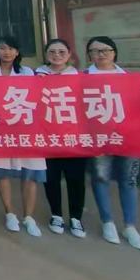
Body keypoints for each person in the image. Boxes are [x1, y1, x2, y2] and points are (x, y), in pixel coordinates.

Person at [86, 36, 140, 251]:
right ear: (89, 55)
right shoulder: (82, 77)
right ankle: (108, 222)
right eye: (95, 51)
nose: (101, 54)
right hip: (98, 138)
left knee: (129, 180)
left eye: (105, 50)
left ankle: (130, 226)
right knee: (100, 178)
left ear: (114, 53)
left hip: (128, 138)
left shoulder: (131, 78)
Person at [0, 36, 44, 237]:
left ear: (17, 52)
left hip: (26, 130)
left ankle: (29, 217)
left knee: (30, 173)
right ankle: (10, 213)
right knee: (3, 172)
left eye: (11, 48)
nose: (7, 52)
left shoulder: (28, 73)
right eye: (2, 48)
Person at [35, 39, 86, 238]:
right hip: (47, 138)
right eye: (52, 51)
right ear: (46, 54)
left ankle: (76, 218)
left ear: (69, 54)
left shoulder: (80, 77)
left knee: (76, 179)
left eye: (61, 51)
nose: (57, 55)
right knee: (51, 179)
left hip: (74, 138)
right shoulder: (35, 75)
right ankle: (56, 214)